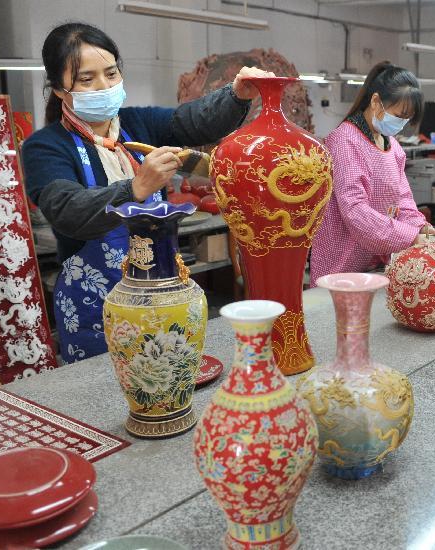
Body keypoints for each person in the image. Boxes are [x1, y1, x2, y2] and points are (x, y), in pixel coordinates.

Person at [23, 22, 273, 363]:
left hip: (162, 291)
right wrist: (137, 188)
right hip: (95, 307)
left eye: (111, 74)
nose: (104, 85)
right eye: (87, 79)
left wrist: (236, 94)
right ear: (59, 89)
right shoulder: (45, 147)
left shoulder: (138, 123)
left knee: (169, 380)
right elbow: (68, 210)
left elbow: (194, 120)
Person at [310, 61, 435, 285]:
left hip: (379, 263)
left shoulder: (393, 146)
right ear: (375, 102)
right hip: (343, 265)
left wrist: (421, 228)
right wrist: (410, 238)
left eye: (407, 119)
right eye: (399, 115)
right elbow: (355, 210)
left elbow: (403, 201)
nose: (401, 124)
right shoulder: (345, 141)